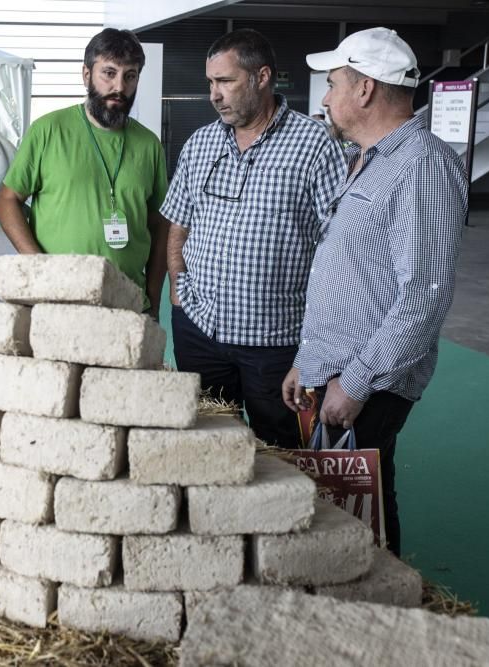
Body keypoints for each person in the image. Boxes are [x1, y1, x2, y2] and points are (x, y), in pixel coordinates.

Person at [283, 27, 469, 556]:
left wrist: (357, 382)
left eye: (333, 82)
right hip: (336, 369)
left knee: (364, 512)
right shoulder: (371, 157)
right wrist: (309, 360)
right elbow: (352, 274)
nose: (325, 96)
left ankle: (379, 608)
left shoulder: (422, 165)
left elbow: (424, 295)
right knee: (340, 503)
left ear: (364, 89)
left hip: (368, 381)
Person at [162, 29, 346, 447]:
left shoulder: (315, 146)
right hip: (200, 329)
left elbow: (338, 248)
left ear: (262, 77)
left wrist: (321, 340)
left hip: (276, 344)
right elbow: (179, 222)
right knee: (207, 446)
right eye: (210, 82)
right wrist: (179, 292)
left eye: (225, 81)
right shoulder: (201, 144)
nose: (214, 94)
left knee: (281, 455)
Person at [0, 29, 168, 317]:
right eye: (109, 73)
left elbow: (159, 225)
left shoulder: (149, 145)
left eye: (130, 76)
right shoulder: (48, 130)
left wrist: (152, 297)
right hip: (59, 300)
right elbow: (7, 200)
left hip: (128, 303)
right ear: (86, 75)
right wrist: (39, 266)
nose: (119, 87)